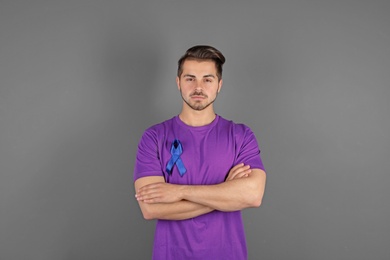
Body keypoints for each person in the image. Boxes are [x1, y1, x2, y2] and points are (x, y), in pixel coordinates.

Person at [134, 45, 266, 260]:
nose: (198, 87)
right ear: (178, 82)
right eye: (190, 78)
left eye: (207, 79)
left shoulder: (240, 135)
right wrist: (226, 193)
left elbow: (252, 195)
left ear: (219, 85)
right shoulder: (154, 137)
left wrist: (179, 192)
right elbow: (150, 208)